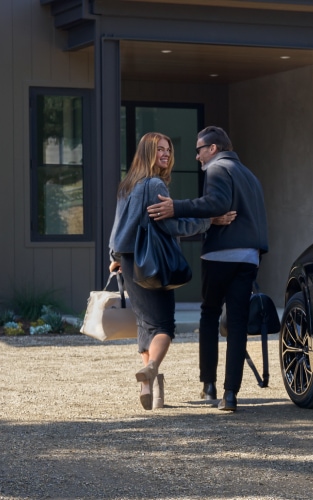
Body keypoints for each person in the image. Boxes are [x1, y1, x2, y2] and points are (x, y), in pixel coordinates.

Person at [107, 132, 235, 411]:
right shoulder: (153, 184)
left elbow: (117, 229)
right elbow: (171, 225)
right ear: (147, 153)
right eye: (159, 150)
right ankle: (150, 367)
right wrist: (209, 221)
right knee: (164, 325)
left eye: (168, 150)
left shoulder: (126, 185)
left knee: (145, 324)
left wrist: (114, 256)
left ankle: (151, 390)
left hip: (127, 262)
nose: (165, 154)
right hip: (152, 261)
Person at [147, 126, 269, 412]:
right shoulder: (251, 176)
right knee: (237, 322)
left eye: (199, 150)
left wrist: (176, 207)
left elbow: (216, 203)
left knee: (210, 315)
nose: (197, 157)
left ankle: (209, 385)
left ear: (213, 148)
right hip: (249, 257)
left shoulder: (217, 168)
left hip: (220, 254)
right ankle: (231, 395)